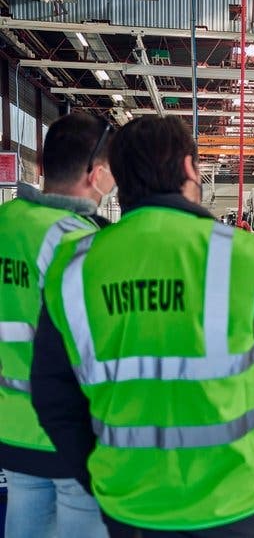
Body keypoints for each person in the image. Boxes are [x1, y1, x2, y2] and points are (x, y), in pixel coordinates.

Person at [30, 116, 254, 537]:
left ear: (117, 179)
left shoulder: (74, 266)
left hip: (130, 507)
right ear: (190, 169)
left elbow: (51, 395)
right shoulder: (240, 255)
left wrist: (101, 477)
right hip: (234, 505)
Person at [0, 112, 115, 538]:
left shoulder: (5, 222)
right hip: (70, 431)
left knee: (24, 518)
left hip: (10, 429)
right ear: (99, 175)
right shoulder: (81, 240)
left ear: (43, 168)